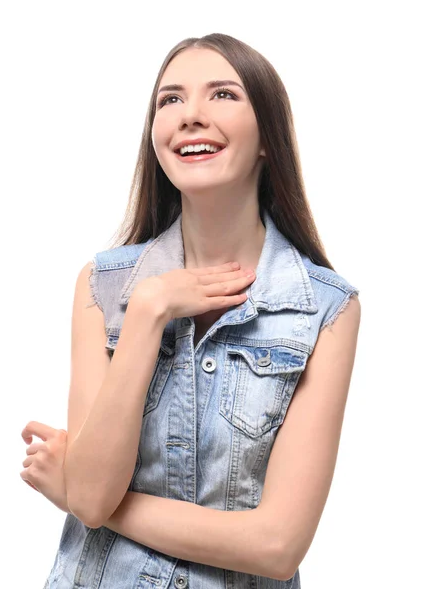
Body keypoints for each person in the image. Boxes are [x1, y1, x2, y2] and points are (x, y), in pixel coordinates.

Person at [20, 32, 361, 588]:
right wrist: (150, 310)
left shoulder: (326, 309)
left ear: (268, 138)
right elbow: (90, 492)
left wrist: (85, 497)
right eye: (170, 100)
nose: (190, 115)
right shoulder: (105, 287)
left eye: (223, 95)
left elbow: (276, 546)